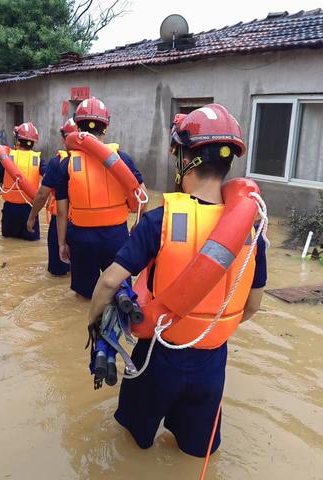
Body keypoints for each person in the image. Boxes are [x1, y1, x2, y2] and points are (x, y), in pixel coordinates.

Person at [88, 104, 268, 457]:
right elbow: (253, 305)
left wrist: (94, 326)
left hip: (157, 354)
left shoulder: (160, 221)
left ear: (185, 158)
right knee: (196, 452)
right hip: (212, 363)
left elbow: (110, 283)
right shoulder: (253, 231)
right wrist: (208, 329)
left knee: (134, 445)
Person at [56, 97, 147, 299]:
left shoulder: (67, 163)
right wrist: (137, 225)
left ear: (77, 126)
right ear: (106, 126)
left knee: (84, 296)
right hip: (116, 237)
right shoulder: (122, 159)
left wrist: (62, 243)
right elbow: (143, 198)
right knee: (119, 294)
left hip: (81, 238)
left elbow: (61, 210)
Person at [26, 119, 78, 275]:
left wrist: (32, 217)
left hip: (60, 224)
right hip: (88, 226)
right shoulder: (104, 160)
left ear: (65, 138)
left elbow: (42, 194)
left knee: (57, 274)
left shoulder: (57, 162)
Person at [0, 122, 46, 241]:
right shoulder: (38, 159)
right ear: (33, 142)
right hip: (30, 210)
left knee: (8, 244)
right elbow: (49, 180)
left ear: (17, 140)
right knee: (31, 246)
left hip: (10, 211)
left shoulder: (7, 159)